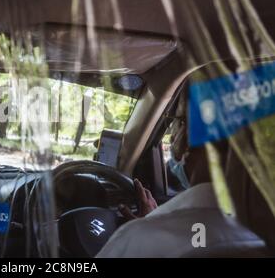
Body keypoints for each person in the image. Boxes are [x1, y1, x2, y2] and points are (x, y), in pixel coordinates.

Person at [96, 86, 267, 257]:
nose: (171, 136)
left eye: (177, 121)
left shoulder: (138, 240)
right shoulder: (259, 235)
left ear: (187, 137)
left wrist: (150, 226)